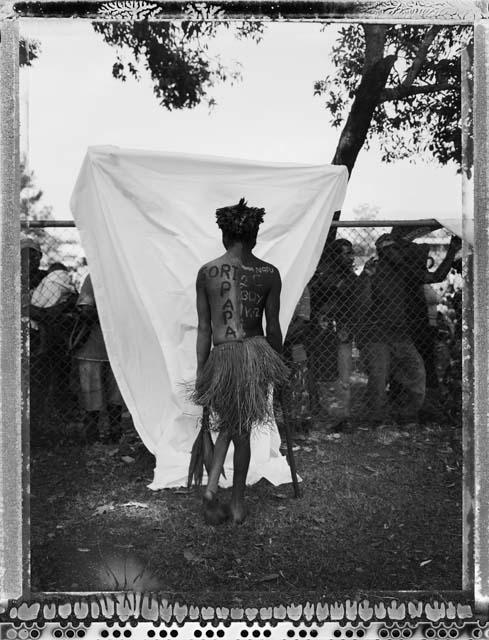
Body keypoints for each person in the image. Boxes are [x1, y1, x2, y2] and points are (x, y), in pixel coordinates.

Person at [191, 197, 288, 525]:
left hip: (223, 356)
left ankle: (213, 487)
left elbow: (205, 328)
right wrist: (278, 364)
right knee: (240, 429)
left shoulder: (207, 273)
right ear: (255, 236)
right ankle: (235, 502)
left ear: (223, 235)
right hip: (255, 355)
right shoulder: (268, 273)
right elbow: (272, 327)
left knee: (232, 426)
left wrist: (202, 370)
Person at [72, 273, 125, 444]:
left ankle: (115, 432)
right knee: (91, 392)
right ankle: (91, 433)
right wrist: (114, 315)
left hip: (119, 347)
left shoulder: (125, 275)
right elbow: (85, 311)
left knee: (117, 393)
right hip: (92, 346)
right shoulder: (94, 276)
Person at [282, 286, 312, 441]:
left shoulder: (301, 286)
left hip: (293, 342)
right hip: (272, 339)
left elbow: (303, 319)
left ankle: (298, 424)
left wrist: (284, 336)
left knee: (298, 384)